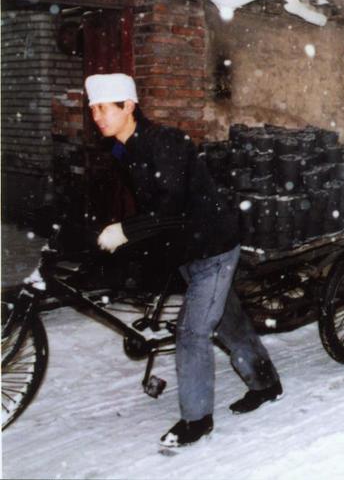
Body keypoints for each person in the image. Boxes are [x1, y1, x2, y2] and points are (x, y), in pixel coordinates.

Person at [85, 73, 282, 448]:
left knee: (192, 330)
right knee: (227, 319)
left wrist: (125, 230)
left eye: (103, 107)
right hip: (186, 248)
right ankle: (267, 384)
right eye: (93, 108)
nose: (96, 116)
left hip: (213, 245)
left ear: (128, 106)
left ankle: (196, 420)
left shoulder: (166, 143)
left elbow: (169, 206)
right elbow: (150, 202)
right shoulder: (122, 149)